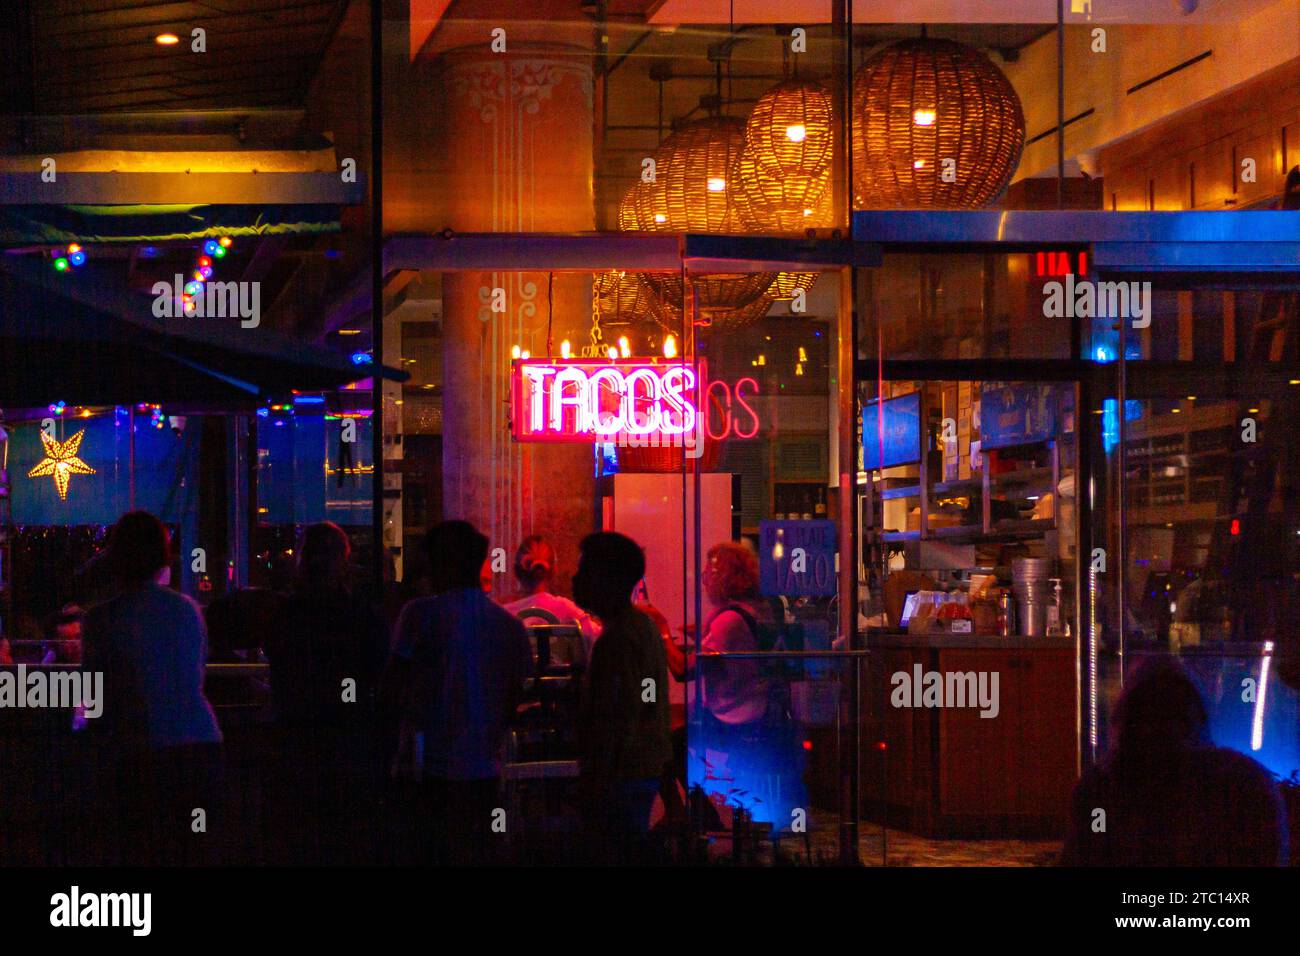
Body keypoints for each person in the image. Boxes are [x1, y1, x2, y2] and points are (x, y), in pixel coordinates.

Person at [383, 520, 533, 865]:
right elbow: (517, 697)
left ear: (442, 563)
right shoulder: (509, 626)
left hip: (427, 767)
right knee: (482, 847)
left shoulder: (419, 615)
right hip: (486, 768)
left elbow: (392, 688)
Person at [80, 511, 222, 865]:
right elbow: (194, 675)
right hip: (200, 745)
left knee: (142, 848)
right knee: (194, 846)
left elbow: (93, 698)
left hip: (142, 750)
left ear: (115, 558)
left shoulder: (101, 620)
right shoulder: (187, 610)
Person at [1060, 656, 1288, 866]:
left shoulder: (1098, 791)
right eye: (1151, 717)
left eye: (1171, 717)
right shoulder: (1246, 784)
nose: (1161, 731)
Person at [264, 522, 387, 863]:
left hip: (296, 734)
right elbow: (378, 670)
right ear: (343, 561)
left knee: (298, 833)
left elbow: (278, 661)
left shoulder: (285, 613)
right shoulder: (361, 614)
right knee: (345, 834)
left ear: (302, 561)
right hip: (348, 736)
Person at [573, 532, 671, 864]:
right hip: (640, 771)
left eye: (584, 571)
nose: (576, 579)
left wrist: (597, 777)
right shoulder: (642, 627)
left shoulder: (617, 639)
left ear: (606, 579)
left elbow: (618, 716)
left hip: (620, 777)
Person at [694, 541, 805, 828]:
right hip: (765, 714)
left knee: (675, 743)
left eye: (710, 570)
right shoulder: (758, 610)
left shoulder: (728, 618)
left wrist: (663, 637)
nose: (704, 577)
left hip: (736, 715)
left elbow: (688, 670)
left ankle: (709, 819)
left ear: (726, 576)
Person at [503, 535, 600, 668]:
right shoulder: (565, 608)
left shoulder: (503, 613)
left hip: (516, 688)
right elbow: (599, 638)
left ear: (516, 571)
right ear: (554, 570)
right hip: (561, 688)